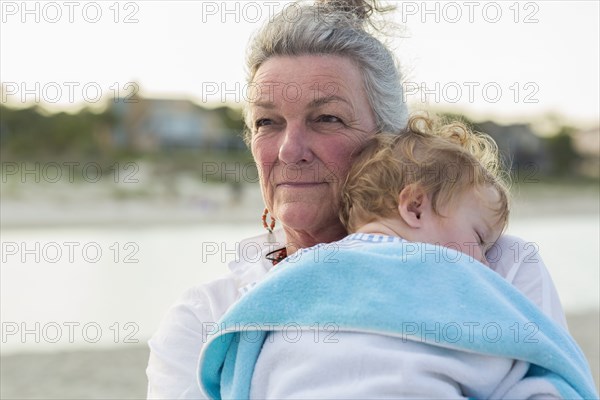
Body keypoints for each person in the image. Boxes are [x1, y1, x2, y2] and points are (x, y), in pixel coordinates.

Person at [146, 1, 569, 398]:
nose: (290, 150)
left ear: (388, 139)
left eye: (326, 118)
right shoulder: (207, 318)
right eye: (267, 122)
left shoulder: (499, 267)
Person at [197, 116, 597, 399]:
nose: (488, 262)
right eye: (478, 237)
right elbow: (523, 360)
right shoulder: (454, 278)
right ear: (415, 208)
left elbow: (242, 353)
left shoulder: (295, 275)